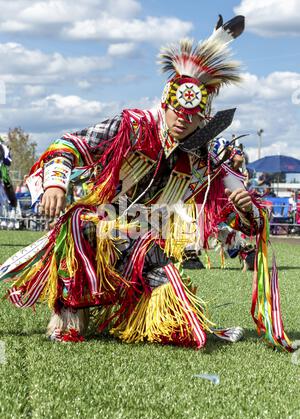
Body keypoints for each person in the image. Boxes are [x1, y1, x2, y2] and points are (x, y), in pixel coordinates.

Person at [0, 15, 294, 352]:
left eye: (193, 115)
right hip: (99, 229)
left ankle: (129, 317)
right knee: (82, 225)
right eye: (178, 111)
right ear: (167, 101)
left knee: (184, 327)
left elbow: (236, 222)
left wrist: (247, 212)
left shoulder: (199, 161)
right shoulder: (132, 127)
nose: (183, 120)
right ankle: (68, 318)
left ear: (204, 118)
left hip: (142, 244)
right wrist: (55, 184)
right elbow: (69, 144)